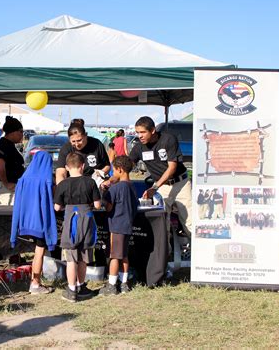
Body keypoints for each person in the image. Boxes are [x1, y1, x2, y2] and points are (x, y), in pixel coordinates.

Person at [129, 116, 192, 236]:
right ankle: (166, 253)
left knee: (189, 223)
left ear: (152, 130)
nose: (139, 136)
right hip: (162, 187)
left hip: (181, 184)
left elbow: (172, 168)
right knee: (163, 224)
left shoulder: (168, 139)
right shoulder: (138, 147)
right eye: (137, 132)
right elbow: (127, 165)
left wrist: (154, 187)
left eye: (143, 132)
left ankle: (196, 252)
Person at [54, 152, 101, 303]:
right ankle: (81, 286)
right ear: (83, 166)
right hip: (86, 219)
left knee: (71, 258)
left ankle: (72, 290)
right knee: (84, 257)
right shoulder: (90, 182)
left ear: (67, 168)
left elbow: (57, 207)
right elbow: (97, 205)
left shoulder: (62, 184)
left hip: (71, 220)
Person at [11, 151, 57, 294]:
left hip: (24, 221)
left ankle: (35, 281)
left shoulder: (23, 179)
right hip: (40, 223)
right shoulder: (47, 179)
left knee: (37, 250)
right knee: (39, 251)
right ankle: (35, 283)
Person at [100, 156, 138, 295]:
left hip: (116, 225)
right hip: (127, 224)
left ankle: (111, 285)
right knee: (124, 255)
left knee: (114, 255)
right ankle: (124, 283)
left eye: (114, 171)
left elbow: (109, 207)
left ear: (120, 170)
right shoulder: (131, 186)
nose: (112, 174)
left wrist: (104, 194)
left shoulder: (116, 188)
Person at [55, 122, 110, 186]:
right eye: (73, 141)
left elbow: (107, 165)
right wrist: (61, 189)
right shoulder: (66, 148)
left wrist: (101, 173)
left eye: (79, 140)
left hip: (94, 185)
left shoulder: (97, 144)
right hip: (73, 186)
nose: (77, 144)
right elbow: (60, 173)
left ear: (86, 135)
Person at [0, 116, 24, 205]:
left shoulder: (9, 145)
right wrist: (6, 183)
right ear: (12, 132)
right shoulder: (3, 145)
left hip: (10, 185)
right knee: (8, 213)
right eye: (20, 131)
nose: (22, 134)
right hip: (5, 187)